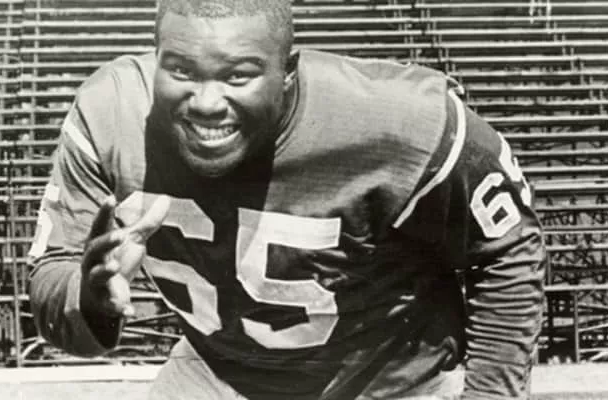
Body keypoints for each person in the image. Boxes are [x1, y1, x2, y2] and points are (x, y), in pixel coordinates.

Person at [27, 0, 547, 398]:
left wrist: (490, 394)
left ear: (288, 71)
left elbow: (508, 251)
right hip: (220, 371)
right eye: (181, 70)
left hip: (390, 380)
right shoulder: (110, 116)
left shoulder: (404, 124)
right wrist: (88, 300)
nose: (206, 103)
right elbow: (52, 274)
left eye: (239, 75)